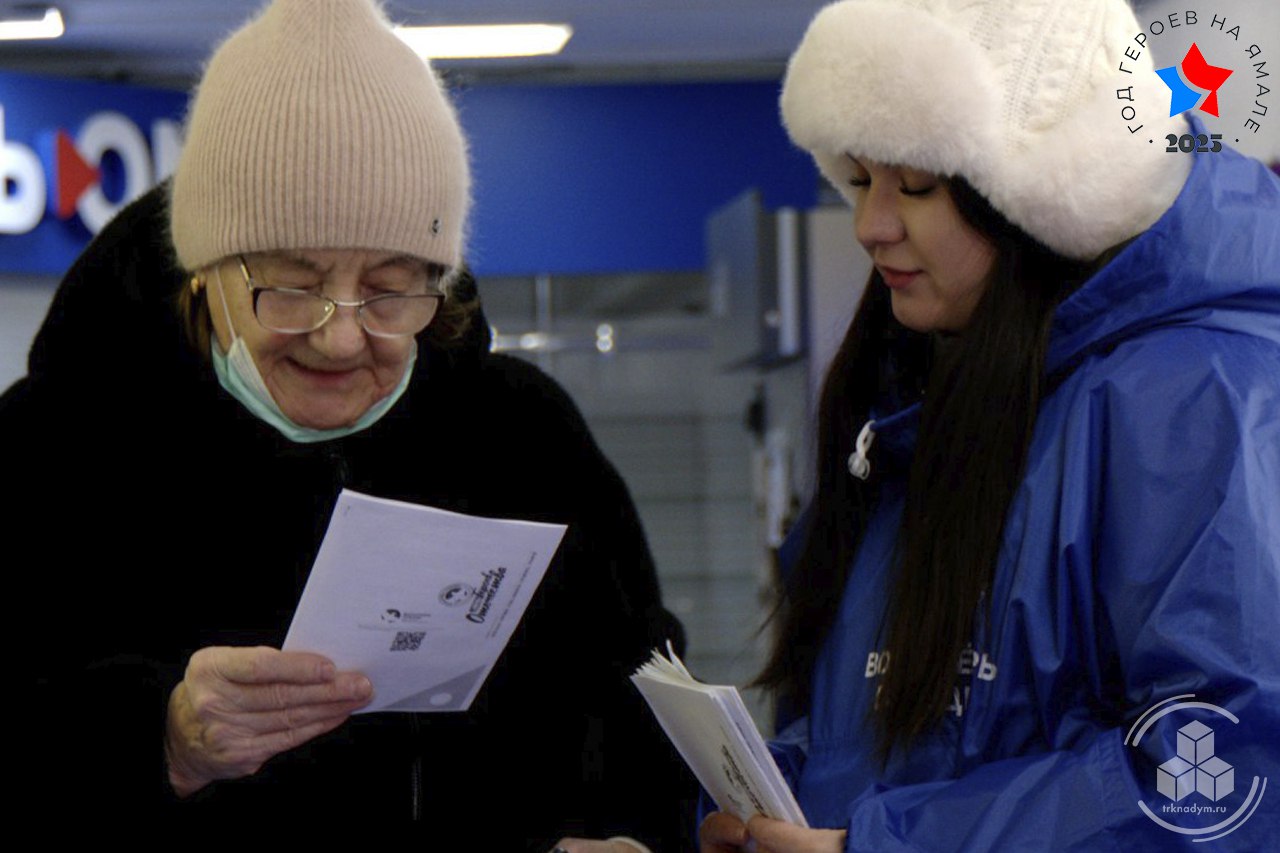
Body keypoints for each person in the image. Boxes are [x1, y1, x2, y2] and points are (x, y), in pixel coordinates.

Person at [3, 1, 695, 847]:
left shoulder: (523, 435)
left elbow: (643, 695)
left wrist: (632, 831)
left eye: (390, 287)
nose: (338, 335)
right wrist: (161, 740)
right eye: (291, 285)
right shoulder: (52, 449)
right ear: (204, 271)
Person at [699, 0, 1280, 850]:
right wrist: (772, 808)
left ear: (1042, 196)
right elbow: (895, 734)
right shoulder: (917, 392)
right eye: (859, 179)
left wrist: (885, 844)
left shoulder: (1192, 398)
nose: (870, 225)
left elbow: (1230, 775)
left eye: (919, 186)